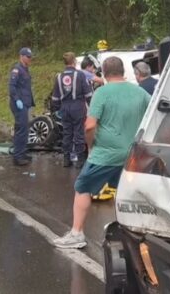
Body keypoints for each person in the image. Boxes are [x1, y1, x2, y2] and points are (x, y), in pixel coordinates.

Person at [53, 57, 151, 249]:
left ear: (104, 74)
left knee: (82, 186)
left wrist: (90, 147)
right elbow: (153, 116)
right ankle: (135, 234)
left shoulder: (102, 93)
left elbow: (90, 126)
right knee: (124, 192)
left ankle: (76, 233)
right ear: (123, 71)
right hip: (131, 153)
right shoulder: (140, 92)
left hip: (106, 154)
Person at [51, 52, 93, 168]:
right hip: (77, 107)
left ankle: (66, 159)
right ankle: (80, 160)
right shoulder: (80, 75)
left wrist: (55, 109)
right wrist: (93, 108)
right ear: (74, 61)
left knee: (67, 133)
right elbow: (88, 94)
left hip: (65, 108)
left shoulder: (59, 76)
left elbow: (55, 97)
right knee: (79, 133)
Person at [9, 47, 35, 166]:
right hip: (19, 104)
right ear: (21, 56)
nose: (30, 59)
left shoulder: (25, 69)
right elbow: (12, 87)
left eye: (30, 57)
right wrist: (17, 100)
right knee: (21, 130)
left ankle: (22, 152)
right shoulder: (17, 69)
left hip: (25, 103)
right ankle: (17, 156)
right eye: (28, 57)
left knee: (25, 130)